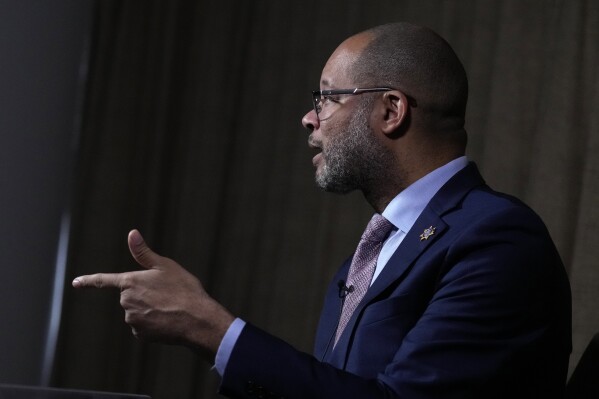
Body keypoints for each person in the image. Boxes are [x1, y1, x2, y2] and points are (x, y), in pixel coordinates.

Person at [73, 22, 572, 398]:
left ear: (391, 110)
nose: (310, 117)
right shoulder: (376, 247)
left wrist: (210, 329)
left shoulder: (498, 239)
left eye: (328, 98)